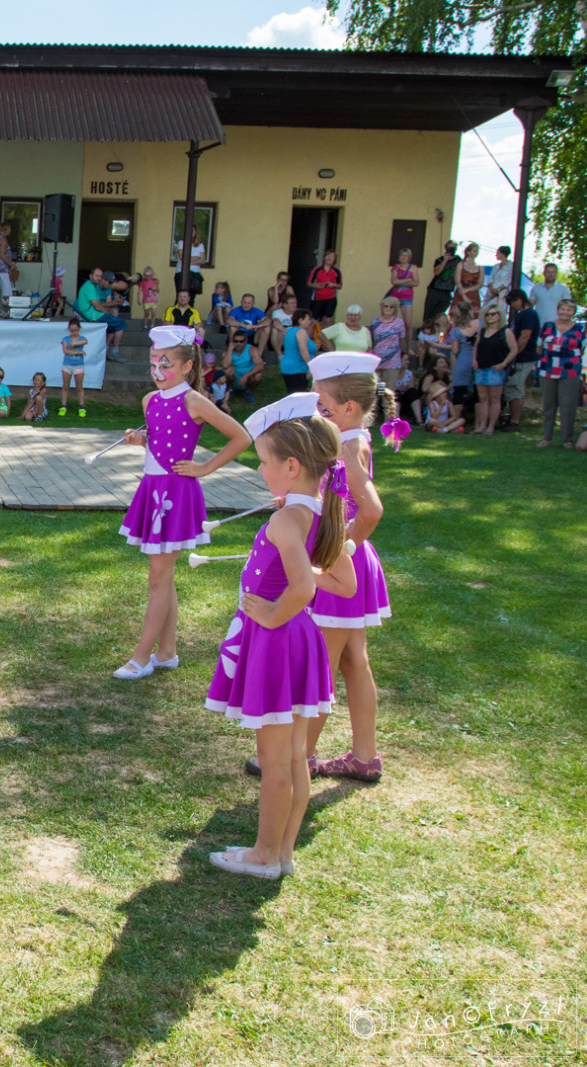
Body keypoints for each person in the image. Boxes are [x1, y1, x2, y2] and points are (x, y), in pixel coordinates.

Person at [205, 394, 354, 879]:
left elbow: (306, 587)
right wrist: (297, 571)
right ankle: (283, 853)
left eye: (265, 462)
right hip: (301, 640)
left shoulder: (287, 519)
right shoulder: (316, 513)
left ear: (292, 467)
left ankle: (264, 855)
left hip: (276, 642)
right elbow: (344, 583)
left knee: (274, 762)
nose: (260, 469)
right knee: (294, 758)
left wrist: (271, 613)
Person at [113, 325, 253, 681]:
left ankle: (141, 657)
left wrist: (205, 467)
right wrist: (141, 440)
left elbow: (241, 437)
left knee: (158, 578)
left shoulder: (194, 401)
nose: (158, 371)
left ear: (188, 366)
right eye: (153, 363)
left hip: (175, 495)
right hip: (152, 489)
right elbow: (161, 440)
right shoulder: (150, 400)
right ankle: (166, 652)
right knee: (163, 576)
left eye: (166, 364)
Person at [306, 353, 394, 782]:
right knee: (354, 661)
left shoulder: (345, 445)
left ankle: (299, 755)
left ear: (348, 408)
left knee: (320, 664)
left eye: (322, 407)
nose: (316, 413)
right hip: (348, 562)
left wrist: (344, 547)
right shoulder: (350, 438)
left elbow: (371, 509)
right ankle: (364, 756)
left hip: (341, 566)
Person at [537, 298, 583, 448]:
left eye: (569, 310)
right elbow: (539, 346)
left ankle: (567, 440)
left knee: (568, 406)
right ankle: (547, 438)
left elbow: (581, 349)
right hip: (548, 369)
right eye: (563, 309)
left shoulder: (580, 329)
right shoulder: (547, 326)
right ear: (558, 310)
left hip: (570, 371)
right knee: (548, 406)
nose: (565, 312)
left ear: (573, 312)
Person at [472, 304, 517, 434]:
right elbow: (476, 346)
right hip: (481, 368)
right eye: (487, 314)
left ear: (499, 316)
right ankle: (482, 426)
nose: (490, 317)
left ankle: (490, 427)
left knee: (494, 398)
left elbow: (514, 349)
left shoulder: (505, 332)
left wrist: (504, 363)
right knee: (483, 398)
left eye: (493, 314)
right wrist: (474, 360)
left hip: (496, 369)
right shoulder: (482, 331)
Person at [503, 289, 542, 432]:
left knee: (515, 387)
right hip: (519, 357)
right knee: (512, 388)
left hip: (524, 357)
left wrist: (514, 353)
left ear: (519, 300)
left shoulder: (529, 314)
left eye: (513, 302)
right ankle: (511, 417)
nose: (513, 305)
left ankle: (515, 421)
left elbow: (525, 336)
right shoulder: (522, 315)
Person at [76, 266, 127, 363]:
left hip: (93, 314)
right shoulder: (89, 286)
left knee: (113, 325)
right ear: (91, 276)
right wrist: (108, 314)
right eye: (97, 276)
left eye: (100, 276)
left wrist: (113, 306)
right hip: (92, 315)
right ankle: (114, 351)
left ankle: (106, 351)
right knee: (121, 323)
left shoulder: (92, 286)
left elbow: (102, 304)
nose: (99, 278)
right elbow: (97, 306)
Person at [280, 306, 318, 393]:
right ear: (300, 320)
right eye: (307, 319)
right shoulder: (301, 332)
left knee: (294, 395)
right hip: (297, 368)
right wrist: (310, 366)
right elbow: (303, 350)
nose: (309, 322)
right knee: (301, 395)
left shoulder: (290, 331)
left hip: (288, 367)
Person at [369, 297, 408, 377]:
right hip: (377, 361)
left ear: (395, 309)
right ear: (382, 307)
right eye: (386, 306)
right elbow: (371, 340)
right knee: (378, 385)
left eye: (391, 307)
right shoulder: (374, 322)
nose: (388, 309)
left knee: (390, 384)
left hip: (392, 362)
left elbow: (401, 340)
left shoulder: (399, 322)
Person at [225, 328, 263, 402]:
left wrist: (246, 376)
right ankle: (230, 389)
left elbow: (260, 365)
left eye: (241, 341)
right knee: (226, 371)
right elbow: (225, 366)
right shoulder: (228, 349)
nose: (238, 343)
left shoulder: (252, 349)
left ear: (246, 341)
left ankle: (248, 391)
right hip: (234, 376)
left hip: (248, 377)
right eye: (235, 341)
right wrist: (229, 350)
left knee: (258, 375)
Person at [425, 241, 461, 320]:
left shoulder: (458, 261)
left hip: (447, 291)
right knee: (428, 316)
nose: (452, 249)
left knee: (439, 315)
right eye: (450, 247)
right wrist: (445, 260)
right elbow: (437, 272)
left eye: (454, 247)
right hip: (435, 290)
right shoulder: (440, 260)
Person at [60, 318, 87, 417]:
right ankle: (63, 406)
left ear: (79, 328)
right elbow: (65, 351)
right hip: (67, 365)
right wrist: (79, 352)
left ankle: (81, 407)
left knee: (79, 387)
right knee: (65, 387)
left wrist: (74, 343)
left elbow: (85, 341)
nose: (73, 332)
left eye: (75, 330)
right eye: (71, 330)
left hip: (78, 365)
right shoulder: (65, 338)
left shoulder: (82, 338)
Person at [307, 251, 342, 326]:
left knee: (328, 320)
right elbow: (309, 283)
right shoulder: (316, 269)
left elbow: (340, 286)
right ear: (324, 258)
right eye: (327, 256)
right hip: (317, 299)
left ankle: (326, 333)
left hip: (331, 299)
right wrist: (316, 285)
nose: (329, 258)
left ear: (334, 260)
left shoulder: (336, 271)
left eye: (331, 257)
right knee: (313, 320)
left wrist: (333, 285)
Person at [387, 248, 418, 327]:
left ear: (409, 257)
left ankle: (407, 336)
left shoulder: (413, 268)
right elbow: (394, 282)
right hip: (395, 296)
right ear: (399, 256)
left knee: (408, 324)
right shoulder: (396, 267)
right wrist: (408, 280)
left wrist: (400, 281)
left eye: (406, 256)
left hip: (407, 298)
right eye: (402, 255)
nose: (404, 257)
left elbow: (416, 283)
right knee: (392, 322)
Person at [173, 224, 205, 297]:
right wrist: (196, 257)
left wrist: (188, 261)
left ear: (195, 232)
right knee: (181, 297)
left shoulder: (200, 245)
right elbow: (182, 258)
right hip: (181, 273)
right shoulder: (181, 243)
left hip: (195, 274)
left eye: (192, 231)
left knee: (191, 298)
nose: (190, 232)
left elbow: (202, 260)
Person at [454, 243, 484, 316]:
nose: (477, 253)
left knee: (473, 315)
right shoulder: (461, 265)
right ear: (468, 252)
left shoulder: (480, 267)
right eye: (474, 251)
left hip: (473, 295)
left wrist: (467, 290)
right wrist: (463, 294)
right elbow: (458, 281)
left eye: (477, 251)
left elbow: (480, 284)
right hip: (461, 294)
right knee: (458, 315)